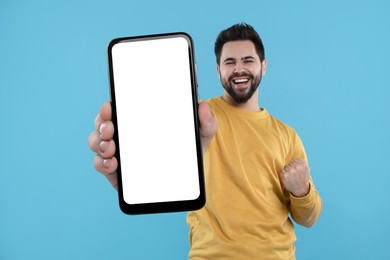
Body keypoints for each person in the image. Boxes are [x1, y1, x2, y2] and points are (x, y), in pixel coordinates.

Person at [88, 23, 322, 259]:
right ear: (218, 70)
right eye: (230, 62)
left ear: (263, 66)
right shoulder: (196, 116)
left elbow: (309, 218)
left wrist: (302, 191)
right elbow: (163, 154)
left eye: (248, 60)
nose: (239, 69)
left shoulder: (287, 135)